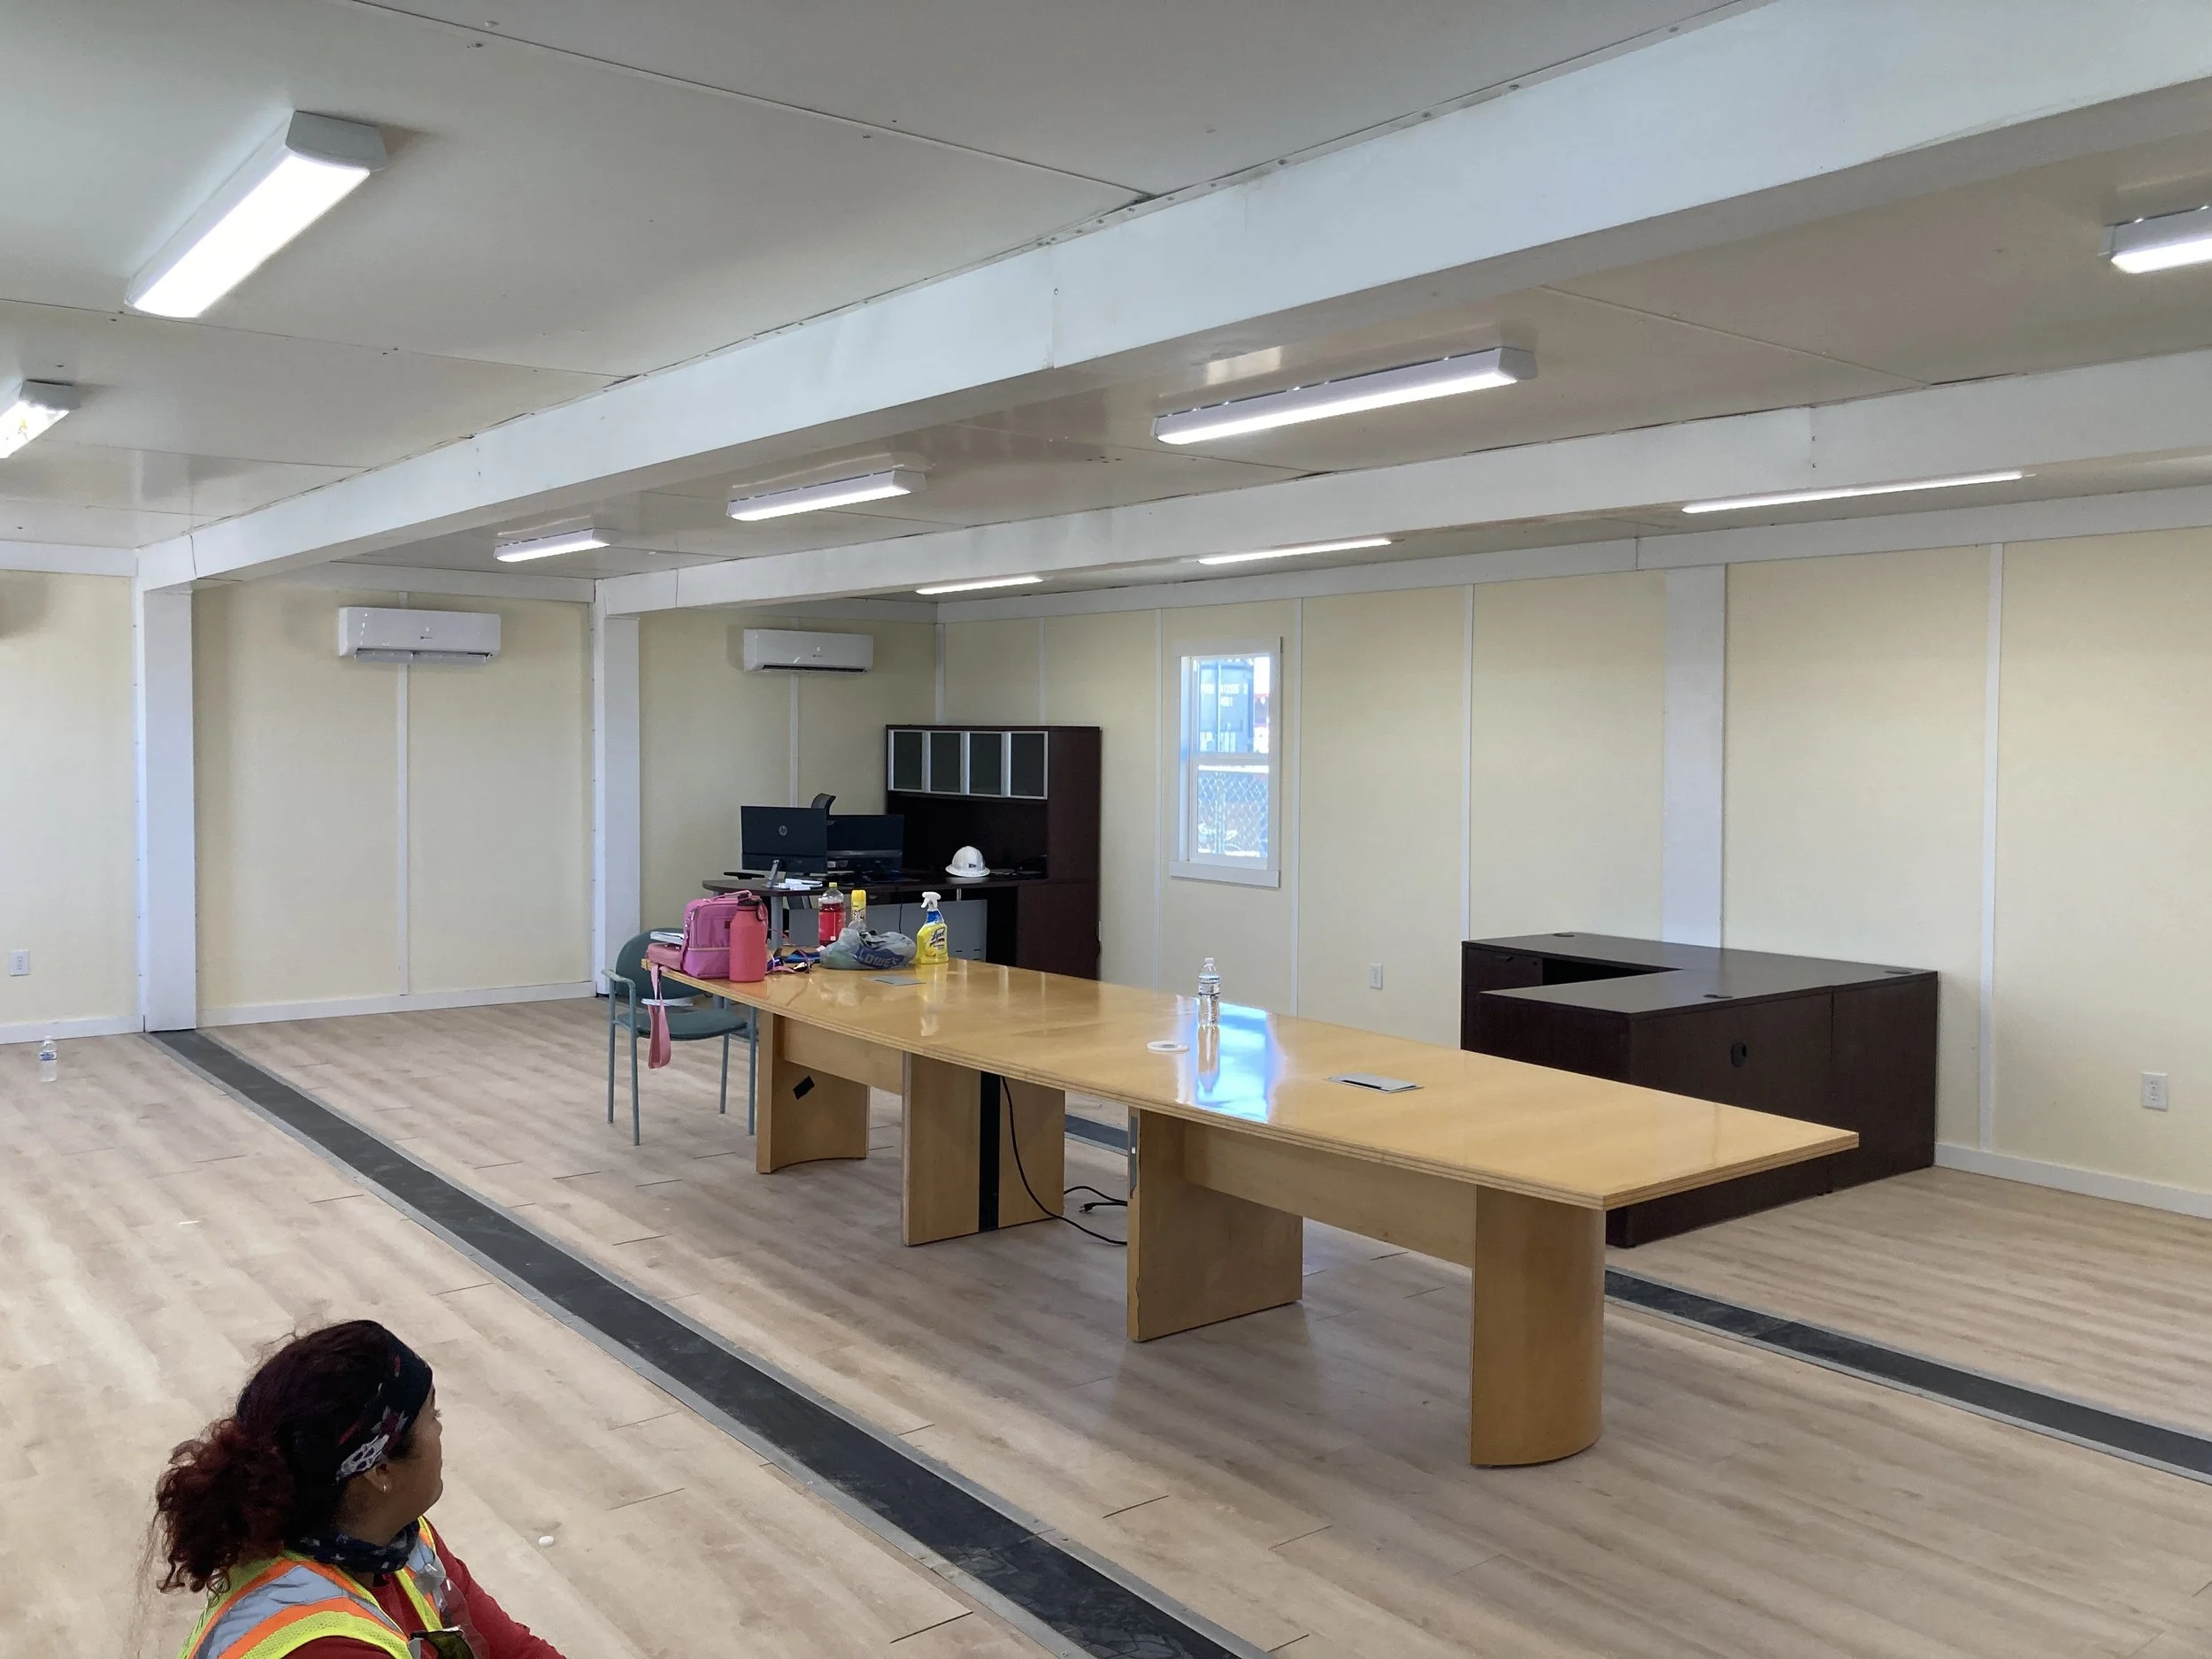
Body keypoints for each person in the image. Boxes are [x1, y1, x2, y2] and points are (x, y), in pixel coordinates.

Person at [153, 1320, 565, 1659]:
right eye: (432, 1415)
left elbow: (516, 1652)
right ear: (380, 1466)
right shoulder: (323, 1647)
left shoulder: (402, 1541)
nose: (441, 1428)